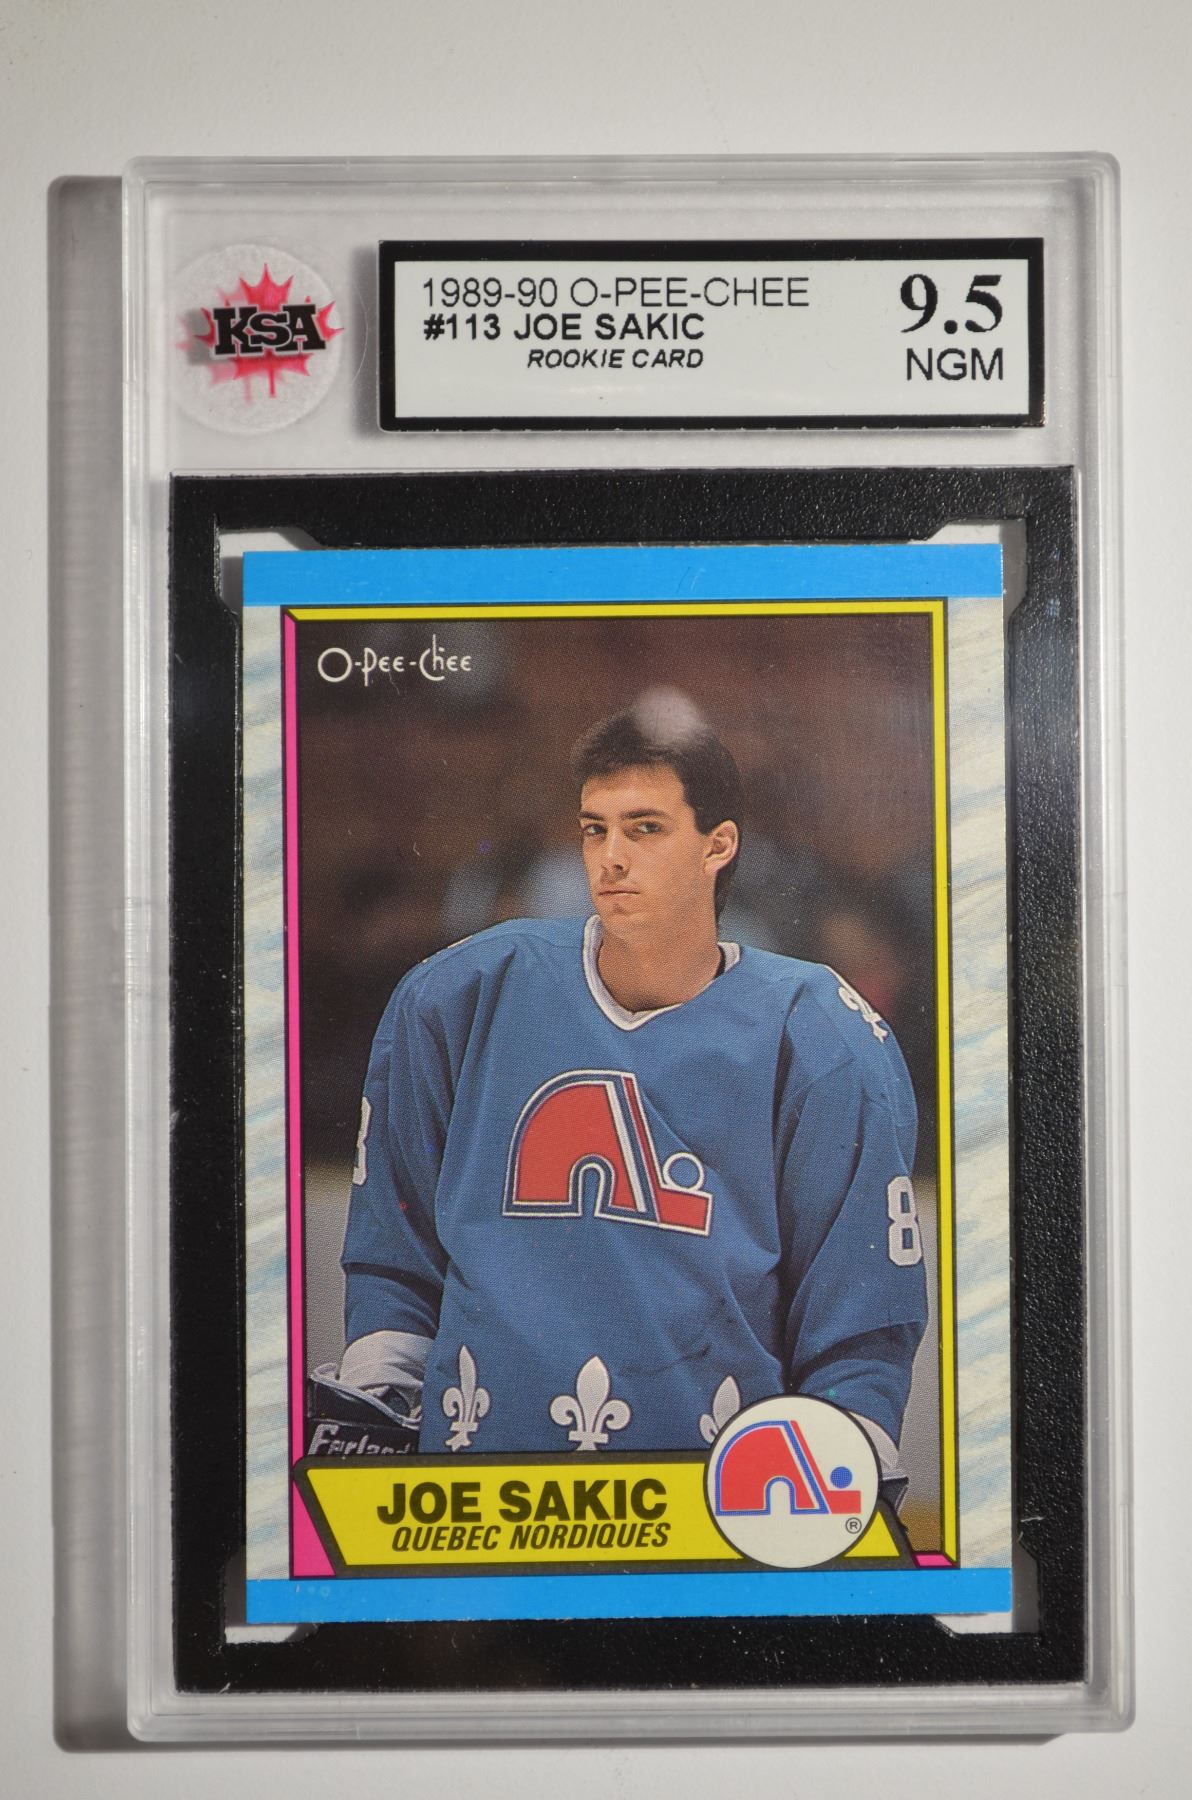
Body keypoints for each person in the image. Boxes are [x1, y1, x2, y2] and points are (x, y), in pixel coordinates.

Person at [325, 705, 928, 1489]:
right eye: (594, 829)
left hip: (718, 1500)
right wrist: (379, 1404)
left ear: (719, 844)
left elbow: (857, 1321)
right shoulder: (460, 995)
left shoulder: (818, 1035)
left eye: (644, 829)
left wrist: (840, 1464)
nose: (610, 858)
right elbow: (397, 1258)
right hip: (480, 1493)